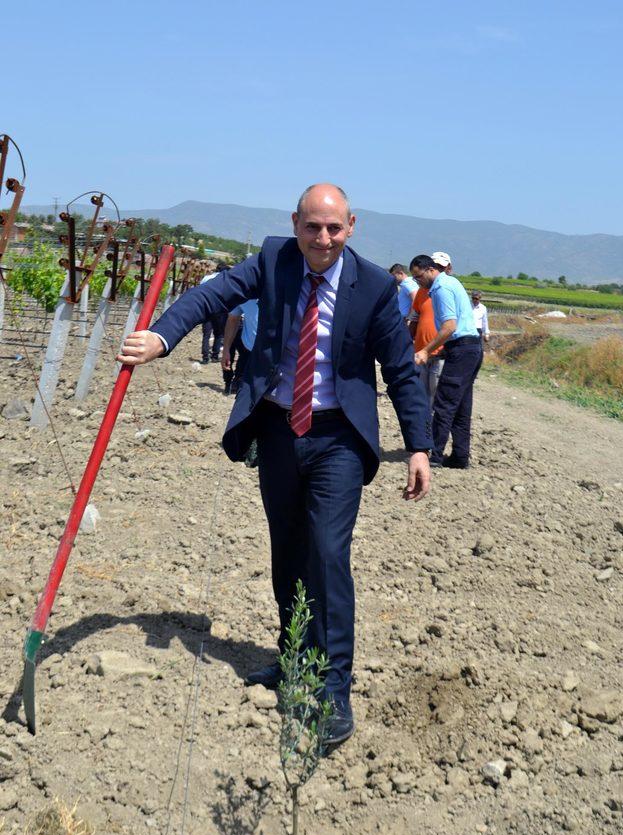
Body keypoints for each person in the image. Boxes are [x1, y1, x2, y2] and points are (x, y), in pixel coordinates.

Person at [117, 183, 431, 748]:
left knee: (328, 553)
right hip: (281, 432)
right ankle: (293, 660)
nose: (323, 238)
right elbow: (210, 297)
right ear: (295, 223)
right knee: (286, 549)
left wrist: (419, 446)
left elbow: (403, 371)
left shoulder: (378, 289)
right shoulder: (272, 259)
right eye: (312, 226)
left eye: (334, 228)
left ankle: (334, 687)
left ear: (351, 226)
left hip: (338, 437)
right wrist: (161, 337)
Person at [411, 254, 482, 470]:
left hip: (461, 349)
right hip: (472, 348)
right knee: (461, 407)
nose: (418, 282)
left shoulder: (440, 288)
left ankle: (435, 455)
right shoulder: (452, 282)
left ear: (430, 270)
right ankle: (460, 458)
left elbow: (449, 326)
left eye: (419, 277)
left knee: (443, 403)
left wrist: (425, 350)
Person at [407, 280, 444, 414]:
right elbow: (415, 318)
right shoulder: (421, 292)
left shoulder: (445, 291)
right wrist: (407, 341)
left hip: (439, 353)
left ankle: (433, 421)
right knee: (421, 389)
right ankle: (424, 420)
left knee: (435, 390)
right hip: (421, 351)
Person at [222, 298, 259, 394]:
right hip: (249, 351)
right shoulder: (245, 292)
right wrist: (226, 350)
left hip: (276, 355)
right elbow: (233, 319)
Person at [199, 261, 230, 363]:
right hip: (220, 310)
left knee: (206, 334)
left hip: (207, 309)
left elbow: (200, 292)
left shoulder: (206, 278)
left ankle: (205, 357)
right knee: (219, 334)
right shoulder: (227, 280)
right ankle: (215, 356)